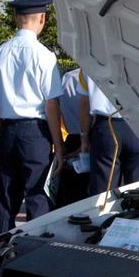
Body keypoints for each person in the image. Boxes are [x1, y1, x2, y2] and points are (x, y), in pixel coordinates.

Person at [0, 0, 64, 233]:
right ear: (42, 18)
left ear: (16, 19)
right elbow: (51, 106)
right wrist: (58, 146)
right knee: (37, 195)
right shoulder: (44, 56)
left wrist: (3, 131)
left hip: (7, 130)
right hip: (35, 132)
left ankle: (1, 254)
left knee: (6, 199)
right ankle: (36, 250)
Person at [80, 71, 139, 194]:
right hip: (138, 126)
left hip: (106, 127)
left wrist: (84, 138)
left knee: (103, 193)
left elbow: (84, 104)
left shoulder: (90, 58)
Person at [55, 67, 90, 206]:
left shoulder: (67, 78)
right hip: (88, 136)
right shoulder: (90, 75)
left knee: (71, 190)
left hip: (71, 139)